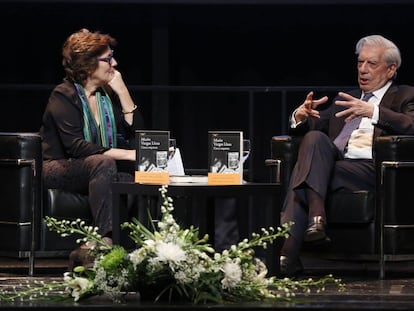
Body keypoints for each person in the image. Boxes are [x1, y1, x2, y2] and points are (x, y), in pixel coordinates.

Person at [279, 34, 414, 277]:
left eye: (371, 64)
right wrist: (300, 117)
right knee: (313, 140)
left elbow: (410, 125)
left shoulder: (406, 96)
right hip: (337, 166)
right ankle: (316, 218)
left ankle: (286, 254)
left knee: (304, 172)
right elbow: (315, 134)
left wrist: (373, 111)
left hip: (373, 169)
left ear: (391, 69)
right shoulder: (346, 98)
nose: (363, 70)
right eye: (360, 63)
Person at [39, 28, 145, 261]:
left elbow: (139, 137)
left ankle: (143, 249)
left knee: (133, 178)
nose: (114, 63)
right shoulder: (63, 95)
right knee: (103, 163)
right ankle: (104, 240)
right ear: (87, 65)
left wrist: (123, 91)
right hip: (58, 167)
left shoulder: (106, 96)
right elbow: (75, 147)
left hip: (98, 168)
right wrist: (127, 155)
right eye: (107, 59)